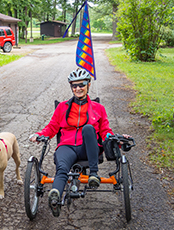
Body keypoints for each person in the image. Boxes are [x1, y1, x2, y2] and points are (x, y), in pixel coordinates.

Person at [29, 68, 129, 217]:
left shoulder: (98, 108)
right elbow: (52, 126)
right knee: (62, 168)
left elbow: (105, 130)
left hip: (88, 149)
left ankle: (93, 175)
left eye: (81, 84)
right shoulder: (62, 107)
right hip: (67, 146)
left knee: (89, 129)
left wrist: (115, 138)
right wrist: (40, 134)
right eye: (74, 86)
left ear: (88, 85)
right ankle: (55, 197)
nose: (78, 88)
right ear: (71, 87)